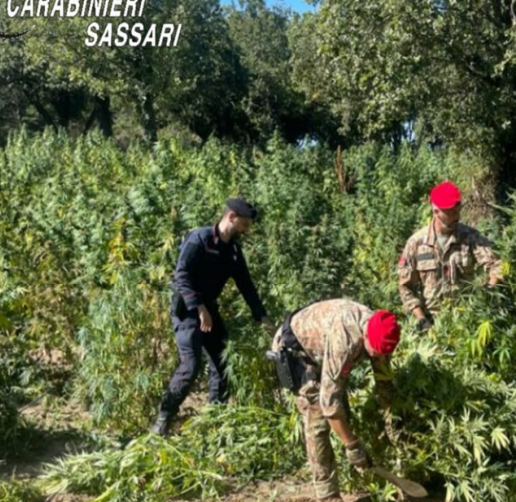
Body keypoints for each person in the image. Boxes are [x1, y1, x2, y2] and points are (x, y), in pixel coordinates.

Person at [150, 198, 276, 436]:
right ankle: (163, 419)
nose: (247, 229)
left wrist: (263, 318)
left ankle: (214, 419)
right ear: (231, 217)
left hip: (208, 310)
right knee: (190, 365)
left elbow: (246, 287)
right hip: (187, 311)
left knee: (223, 364)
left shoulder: (234, 251)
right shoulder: (199, 239)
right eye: (245, 223)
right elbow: (181, 275)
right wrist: (198, 307)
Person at [271, 299, 401, 502]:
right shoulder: (345, 342)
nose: (381, 359)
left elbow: (384, 379)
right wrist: (352, 446)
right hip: (296, 352)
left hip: (322, 348)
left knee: (341, 411)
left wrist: (391, 420)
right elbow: (329, 405)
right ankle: (327, 494)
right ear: (366, 339)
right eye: (376, 354)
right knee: (318, 423)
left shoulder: (382, 330)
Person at [397, 181, 503, 332]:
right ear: (436, 211)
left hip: (466, 322)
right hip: (433, 325)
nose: (457, 216)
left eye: (457, 210)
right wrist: (421, 318)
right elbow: (405, 285)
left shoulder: (469, 237)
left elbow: (497, 264)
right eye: (451, 212)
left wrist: (489, 292)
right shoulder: (417, 243)